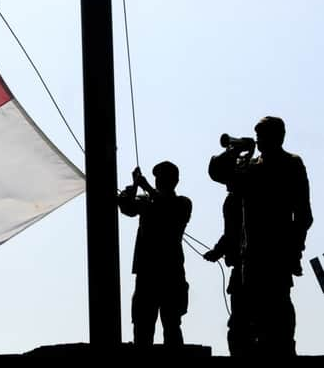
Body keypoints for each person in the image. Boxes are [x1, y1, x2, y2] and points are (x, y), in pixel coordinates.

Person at [209, 116, 313, 356]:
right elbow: (217, 173)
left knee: (277, 322)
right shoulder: (250, 167)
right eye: (258, 135)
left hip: (277, 254)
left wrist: (294, 250)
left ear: (279, 137)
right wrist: (233, 151)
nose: (259, 140)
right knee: (242, 325)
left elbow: (304, 215)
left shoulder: (291, 164)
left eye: (263, 135)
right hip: (250, 257)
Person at [118, 161, 192, 347]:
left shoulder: (182, 203)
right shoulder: (149, 202)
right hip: (148, 274)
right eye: (158, 178)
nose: (159, 181)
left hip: (170, 273)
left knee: (172, 326)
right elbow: (126, 207)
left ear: (174, 181)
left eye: (163, 178)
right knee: (142, 328)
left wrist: (146, 187)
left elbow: (167, 207)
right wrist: (134, 186)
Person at [204, 140, 254, 356]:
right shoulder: (236, 199)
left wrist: (217, 252)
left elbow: (232, 234)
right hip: (245, 269)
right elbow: (231, 234)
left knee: (241, 328)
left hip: (251, 269)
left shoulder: (240, 199)